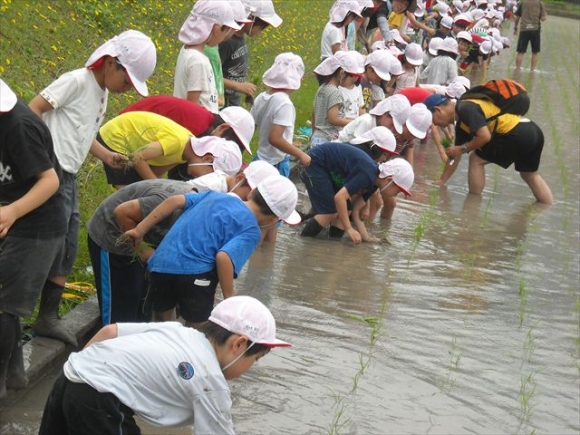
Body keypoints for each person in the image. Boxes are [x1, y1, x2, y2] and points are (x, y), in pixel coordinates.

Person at [27, 30, 156, 346]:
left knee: (68, 244)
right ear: (111, 63)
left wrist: (107, 155)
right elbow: (33, 109)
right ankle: (23, 311)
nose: (127, 90)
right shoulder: (77, 81)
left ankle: (48, 316)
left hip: (68, 176)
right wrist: (36, 154)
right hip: (50, 170)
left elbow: (86, 133)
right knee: (45, 244)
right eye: (127, 82)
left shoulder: (102, 91)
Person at [38, 295, 291, 435]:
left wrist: (86, 371)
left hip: (71, 375)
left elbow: (109, 331)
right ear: (238, 344)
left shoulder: (177, 331)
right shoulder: (210, 382)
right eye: (254, 360)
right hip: (101, 399)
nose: (249, 369)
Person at [86, 161, 278, 326]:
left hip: (153, 249)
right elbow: (122, 212)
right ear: (241, 181)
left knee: (144, 309)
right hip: (113, 235)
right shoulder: (185, 200)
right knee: (121, 311)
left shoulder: (215, 209)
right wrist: (144, 250)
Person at [122, 175, 300, 328]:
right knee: (197, 329)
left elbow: (174, 201)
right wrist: (230, 299)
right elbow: (224, 258)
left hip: (160, 265)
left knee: (161, 322)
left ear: (252, 192)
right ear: (274, 219)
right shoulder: (251, 230)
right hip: (195, 275)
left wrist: (139, 231)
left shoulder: (214, 196)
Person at [0, 79, 67, 398]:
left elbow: (50, 180)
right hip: (11, 217)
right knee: (5, 303)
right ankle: (13, 375)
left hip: (38, 223)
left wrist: (12, 212)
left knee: (5, 305)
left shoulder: (19, 127)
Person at [424, 93, 553, 204]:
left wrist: (462, 149)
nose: (434, 124)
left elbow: (484, 136)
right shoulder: (462, 120)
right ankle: (547, 206)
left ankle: (472, 205)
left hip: (516, 132)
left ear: (438, 110)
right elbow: (456, 155)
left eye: (432, 119)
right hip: (533, 130)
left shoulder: (465, 108)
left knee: (476, 159)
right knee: (529, 174)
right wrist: (442, 181)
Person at [251, 53, 310, 242]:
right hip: (276, 164)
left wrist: (288, 141)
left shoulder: (262, 97)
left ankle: (256, 256)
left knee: (258, 212)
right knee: (273, 216)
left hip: (259, 161)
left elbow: (258, 127)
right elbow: (275, 138)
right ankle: (265, 258)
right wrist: (301, 154)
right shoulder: (284, 102)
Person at [97, 113, 242, 188]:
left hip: (132, 149)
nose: (203, 179)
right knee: (127, 191)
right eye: (208, 175)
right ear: (207, 159)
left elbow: (156, 172)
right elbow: (137, 157)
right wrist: (155, 185)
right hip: (116, 137)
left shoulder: (185, 154)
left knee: (140, 188)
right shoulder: (178, 141)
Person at [174, 1, 242, 113]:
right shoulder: (198, 62)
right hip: (197, 127)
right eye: (226, 30)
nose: (226, 36)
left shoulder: (187, 51)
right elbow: (192, 106)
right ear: (216, 28)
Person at [220, 0, 283, 107]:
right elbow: (210, 75)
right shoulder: (226, 42)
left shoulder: (240, 39)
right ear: (249, 19)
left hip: (232, 102)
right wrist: (238, 86)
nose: (262, 30)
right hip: (220, 102)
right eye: (262, 26)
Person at [310, 55, 352, 146]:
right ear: (341, 73)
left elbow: (314, 113)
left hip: (317, 136)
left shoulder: (322, 88)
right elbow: (333, 119)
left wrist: (313, 133)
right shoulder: (335, 92)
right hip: (328, 139)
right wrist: (353, 123)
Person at [338, 94, 411, 143]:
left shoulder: (379, 126)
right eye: (392, 124)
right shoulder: (366, 121)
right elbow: (356, 146)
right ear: (384, 113)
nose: (392, 129)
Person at [513, 0, 547, 71]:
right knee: (535, 52)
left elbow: (517, 18)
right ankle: (532, 70)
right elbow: (543, 18)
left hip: (524, 29)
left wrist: (515, 28)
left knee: (520, 51)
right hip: (535, 29)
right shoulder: (540, 3)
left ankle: (517, 69)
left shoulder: (523, 2)